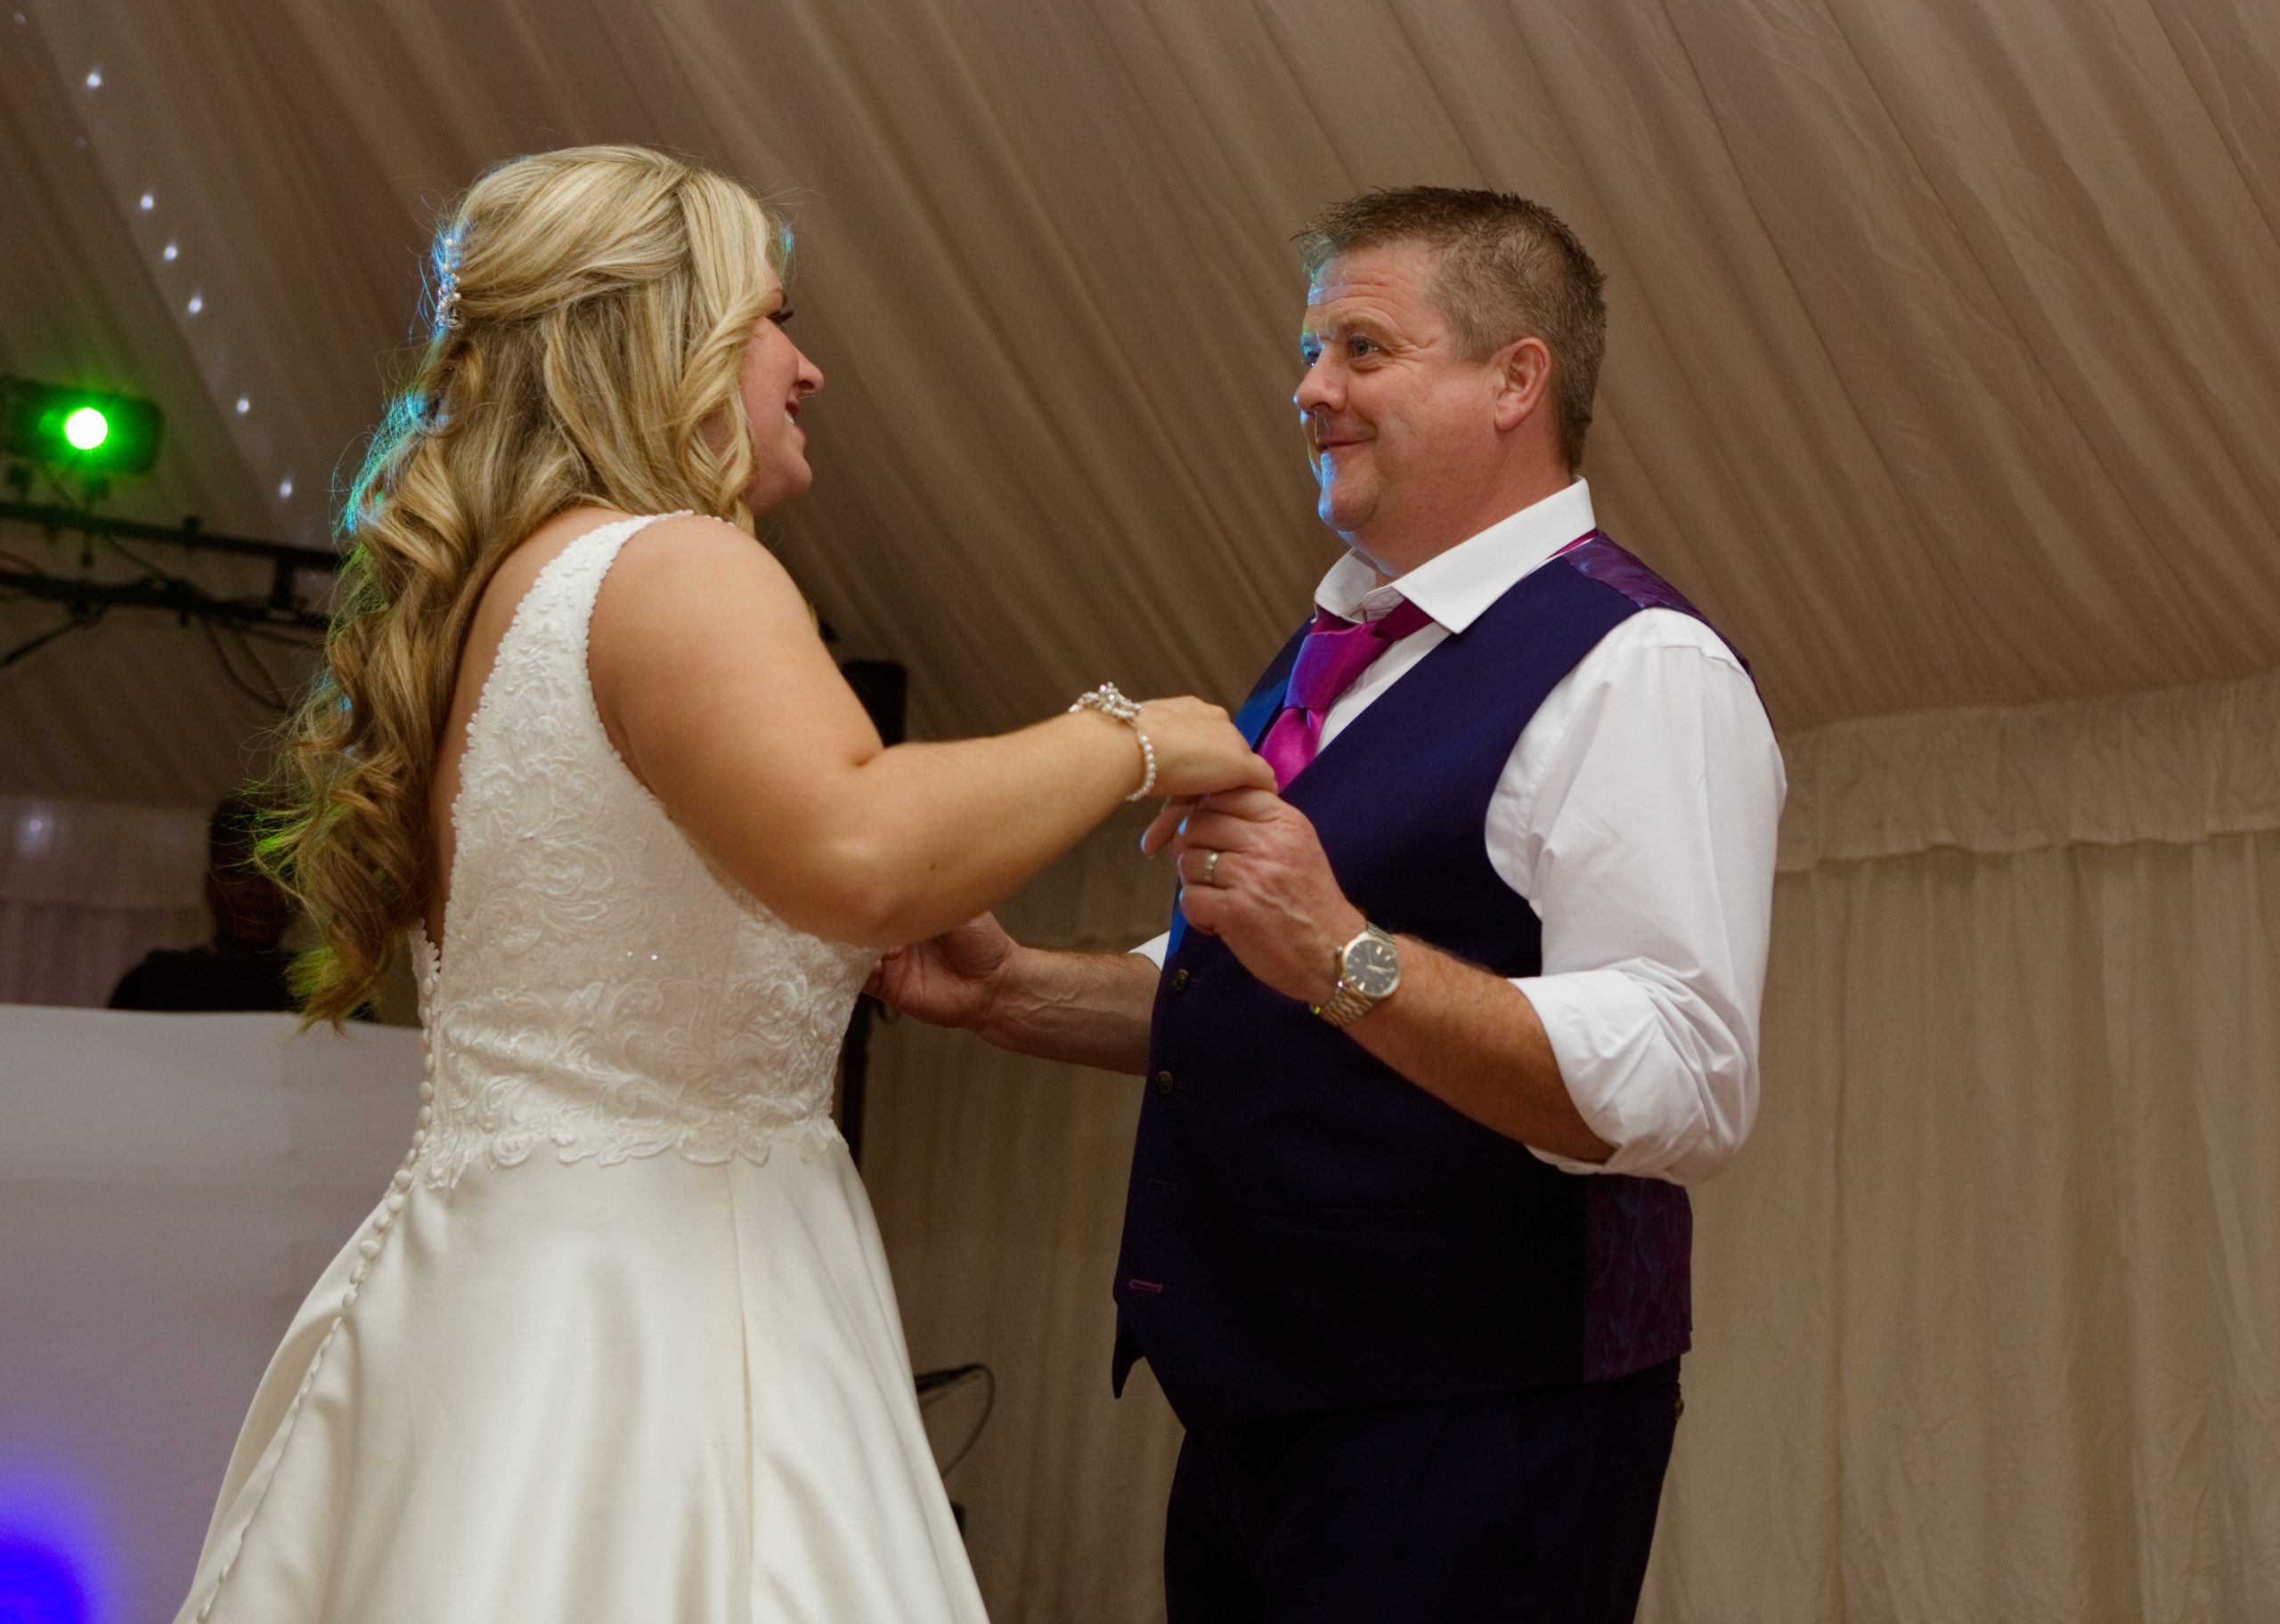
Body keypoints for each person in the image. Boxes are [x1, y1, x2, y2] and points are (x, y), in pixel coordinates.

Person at [169, 145, 1271, 1624]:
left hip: (491, 1292)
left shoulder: (509, 592)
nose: (807, 370)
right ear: (662, 339)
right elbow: (857, 846)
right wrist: (1134, 738)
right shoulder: (678, 565)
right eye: (773, 323)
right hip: (663, 1316)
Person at [872, 187, 1786, 1621]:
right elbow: (1246, 984)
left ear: (1516, 379)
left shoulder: (1639, 667)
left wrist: (1346, 954)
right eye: (1310, 352)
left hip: (1480, 1429)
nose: (1310, 390)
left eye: (1362, 348)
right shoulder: (1345, 648)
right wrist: (1008, 992)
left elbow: (1688, 1075)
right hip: (1260, 1417)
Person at [109, 793, 297, 1012]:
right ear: (210, 883)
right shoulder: (149, 983)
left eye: (279, 874)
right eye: (238, 871)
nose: (259, 890)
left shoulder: (323, 993)